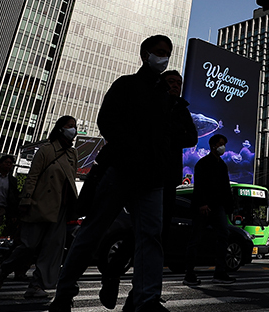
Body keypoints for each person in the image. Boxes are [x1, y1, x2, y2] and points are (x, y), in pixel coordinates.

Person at [50, 35, 195, 312]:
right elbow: (106, 121)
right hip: (121, 170)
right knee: (93, 231)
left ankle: (147, 299)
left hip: (153, 178)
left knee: (150, 238)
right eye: (159, 52)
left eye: (167, 53)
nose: (163, 58)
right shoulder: (126, 85)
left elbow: (179, 135)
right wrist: (133, 148)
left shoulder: (168, 99)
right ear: (145, 54)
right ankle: (64, 293)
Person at [0, 116, 78, 298]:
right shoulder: (46, 150)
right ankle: (5, 269)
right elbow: (32, 176)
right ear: (60, 128)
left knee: (51, 249)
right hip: (39, 205)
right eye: (70, 126)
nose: (74, 130)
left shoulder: (73, 154)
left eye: (75, 126)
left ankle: (37, 284)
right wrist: (26, 200)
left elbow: (71, 180)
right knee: (28, 246)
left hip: (61, 208)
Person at [184, 133, 234, 285]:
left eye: (224, 144)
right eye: (221, 144)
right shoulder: (203, 163)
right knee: (196, 239)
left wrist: (229, 207)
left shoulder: (222, 165)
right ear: (213, 145)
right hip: (203, 207)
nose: (223, 147)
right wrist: (202, 203)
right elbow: (199, 186)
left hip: (218, 206)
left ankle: (220, 272)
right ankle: (189, 274)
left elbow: (226, 188)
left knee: (223, 235)